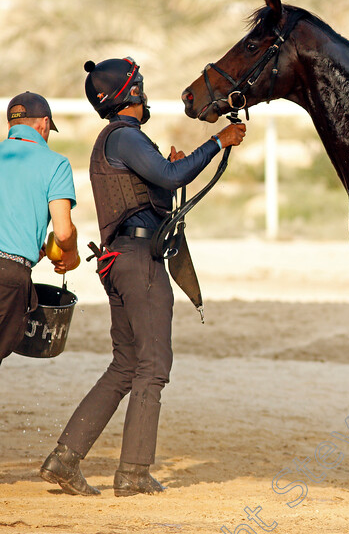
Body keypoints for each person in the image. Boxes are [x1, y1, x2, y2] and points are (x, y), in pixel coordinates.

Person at [40, 57, 246, 497]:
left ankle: (65, 458)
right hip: (138, 263)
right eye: (141, 85)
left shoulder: (116, 141)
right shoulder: (125, 136)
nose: (145, 92)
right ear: (129, 92)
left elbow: (158, 182)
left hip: (119, 260)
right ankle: (132, 473)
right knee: (153, 367)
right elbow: (174, 176)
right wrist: (219, 141)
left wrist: (169, 171)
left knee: (125, 366)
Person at [0, 92, 80, 365]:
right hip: (9, 275)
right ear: (44, 124)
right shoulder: (55, 164)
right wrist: (71, 255)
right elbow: (63, 232)